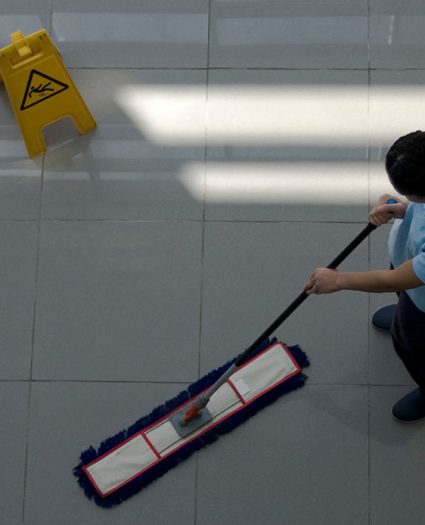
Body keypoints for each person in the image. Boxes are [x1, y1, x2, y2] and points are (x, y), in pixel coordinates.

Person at [304, 130, 425, 422]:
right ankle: (403, 307)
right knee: (405, 297)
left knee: (410, 342)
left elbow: (395, 280)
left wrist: (338, 280)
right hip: (411, 274)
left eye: (410, 194)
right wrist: (403, 209)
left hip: (423, 303)